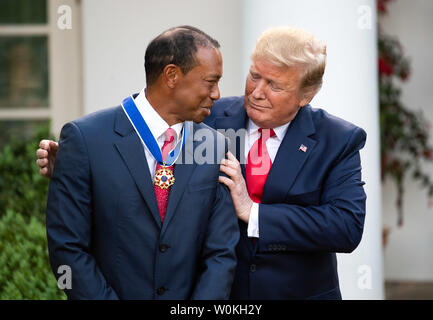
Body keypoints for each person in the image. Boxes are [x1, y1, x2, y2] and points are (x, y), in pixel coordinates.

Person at [37, 26, 367, 300]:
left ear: (305, 96)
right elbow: (145, 130)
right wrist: (77, 171)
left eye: (275, 85)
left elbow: (346, 227)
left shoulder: (337, 140)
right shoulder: (206, 117)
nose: (256, 92)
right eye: (254, 76)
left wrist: (254, 214)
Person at [42, 26, 239, 299]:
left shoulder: (215, 145)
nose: (217, 93)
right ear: (171, 75)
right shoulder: (85, 139)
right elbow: (67, 248)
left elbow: (220, 254)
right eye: (210, 81)